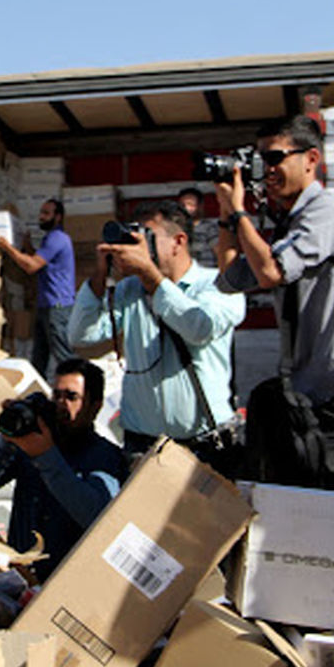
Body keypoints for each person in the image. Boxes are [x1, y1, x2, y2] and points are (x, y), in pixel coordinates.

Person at [214, 115, 334, 495]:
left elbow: (272, 271)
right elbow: (229, 278)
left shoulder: (327, 210)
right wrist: (228, 217)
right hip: (307, 404)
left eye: (276, 158)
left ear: (311, 158)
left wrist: (242, 213)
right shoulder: (289, 225)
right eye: (262, 160)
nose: (268, 170)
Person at [67, 200, 245, 474]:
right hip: (143, 445)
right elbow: (81, 335)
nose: (138, 248)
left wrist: (151, 277)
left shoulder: (217, 285)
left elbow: (199, 328)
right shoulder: (129, 289)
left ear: (178, 241)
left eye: (147, 237)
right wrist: (98, 278)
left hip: (205, 445)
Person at [0, 357, 127, 581]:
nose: (62, 404)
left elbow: (96, 516)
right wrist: (7, 441)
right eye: (57, 396)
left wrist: (45, 456)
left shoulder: (104, 456)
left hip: (65, 582)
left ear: (95, 406)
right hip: (19, 575)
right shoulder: (36, 439)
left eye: (72, 397)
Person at [0, 199, 75, 380]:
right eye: (41, 212)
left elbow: (31, 266)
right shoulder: (52, 239)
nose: (41, 217)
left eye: (46, 213)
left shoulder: (56, 238)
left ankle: (78, 391)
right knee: (39, 357)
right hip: (46, 305)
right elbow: (41, 260)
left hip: (56, 306)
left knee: (63, 356)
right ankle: (38, 394)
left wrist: (7, 247)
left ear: (58, 217)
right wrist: (27, 246)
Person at [178, 186, 219, 268]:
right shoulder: (177, 229)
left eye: (190, 204)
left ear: (199, 206)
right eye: (183, 205)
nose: (186, 208)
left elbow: (219, 252)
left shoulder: (209, 228)